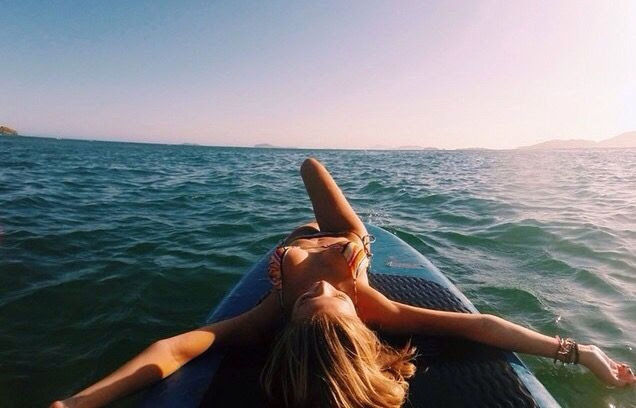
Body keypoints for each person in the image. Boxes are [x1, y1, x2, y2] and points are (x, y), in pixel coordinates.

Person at [51, 158, 635, 408]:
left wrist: (77, 401)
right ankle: (352, 235)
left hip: (301, 235)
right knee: (317, 179)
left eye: (311, 300)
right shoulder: (376, 306)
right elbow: (480, 326)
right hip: (349, 234)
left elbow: (175, 348)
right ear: (358, 323)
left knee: (307, 165)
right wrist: (581, 352)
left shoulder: (270, 316)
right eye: (335, 301)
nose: (325, 290)